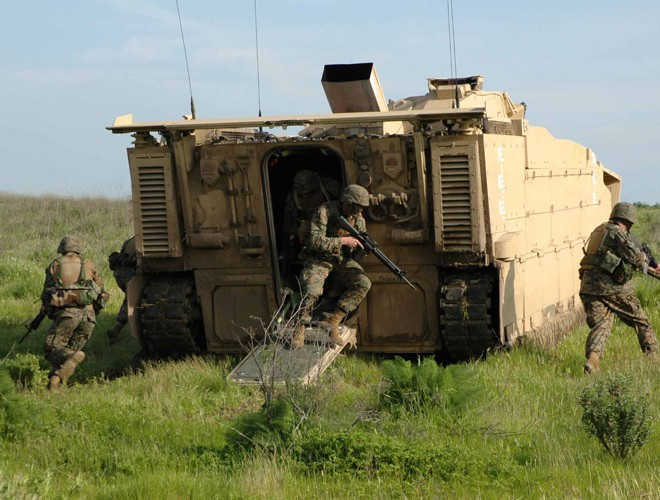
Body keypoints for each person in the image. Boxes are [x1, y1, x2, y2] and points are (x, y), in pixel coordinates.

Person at [578, 202, 659, 373]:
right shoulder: (617, 233)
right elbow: (636, 258)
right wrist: (651, 265)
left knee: (602, 324)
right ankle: (654, 357)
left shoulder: (599, 230)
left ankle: (593, 360)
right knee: (640, 319)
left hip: (587, 287)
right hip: (608, 287)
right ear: (628, 220)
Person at [292, 184, 372, 349]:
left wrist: (361, 250)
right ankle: (299, 327)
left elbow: (355, 251)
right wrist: (343, 241)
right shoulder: (325, 211)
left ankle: (333, 321)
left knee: (363, 283)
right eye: (355, 207)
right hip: (319, 259)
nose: (358, 211)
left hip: (341, 260)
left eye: (360, 208)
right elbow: (315, 241)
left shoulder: (358, 220)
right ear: (346, 202)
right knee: (312, 289)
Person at [40, 236, 109, 391]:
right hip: (89, 318)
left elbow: (46, 294)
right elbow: (103, 293)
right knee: (68, 354)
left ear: (62, 248)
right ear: (78, 248)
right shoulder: (90, 265)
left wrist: (49, 311)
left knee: (52, 348)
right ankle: (53, 385)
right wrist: (93, 311)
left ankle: (70, 358)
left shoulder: (56, 265)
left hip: (67, 316)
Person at [282, 169, 341, 247]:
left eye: (308, 192)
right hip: (309, 230)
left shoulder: (326, 184)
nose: (305, 195)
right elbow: (289, 220)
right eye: (302, 194)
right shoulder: (292, 197)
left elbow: (344, 198)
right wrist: (290, 234)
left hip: (332, 223)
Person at [106, 236, 137, 344]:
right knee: (131, 301)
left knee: (132, 300)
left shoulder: (130, 240)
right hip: (130, 275)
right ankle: (116, 329)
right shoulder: (143, 240)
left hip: (120, 274)